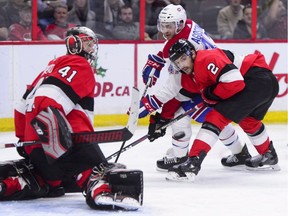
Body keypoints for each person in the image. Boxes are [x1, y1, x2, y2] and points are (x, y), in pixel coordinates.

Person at [0, 26, 143, 211]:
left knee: (47, 180)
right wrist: (56, 140)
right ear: (75, 44)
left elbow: (20, 109)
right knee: (98, 170)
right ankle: (101, 188)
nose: (92, 48)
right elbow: (46, 101)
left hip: (37, 147)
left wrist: (26, 142)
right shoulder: (79, 64)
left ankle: (15, 183)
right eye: (88, 43)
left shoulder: (48, 69)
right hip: (65, 145)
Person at [140, 4, 250, 171]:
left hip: (213, 83)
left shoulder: (184, 47)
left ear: (179, 24)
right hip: (213, 78)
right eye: (162, 25)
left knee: (187, 117)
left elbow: (174, 86)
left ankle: (179, 158)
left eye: (169, 26)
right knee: (210, 118)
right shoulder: (188, 25)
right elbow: (174, 47)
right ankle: (240, 154)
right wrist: (160, 58)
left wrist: (153, 103)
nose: (164, 30)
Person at [165, 38, 280, 181]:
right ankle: (269, 155)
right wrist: (162, 117)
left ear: (193, 53)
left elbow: (235, 82)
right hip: (267, 83)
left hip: (255, 80)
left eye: (183, 58)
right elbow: (185, 94)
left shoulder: (205, 59)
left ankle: (192, 164)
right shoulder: (195, 71)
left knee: (216, 118)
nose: (181, 65)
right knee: (248, 121)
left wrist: (212, 94)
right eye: (177, 62)